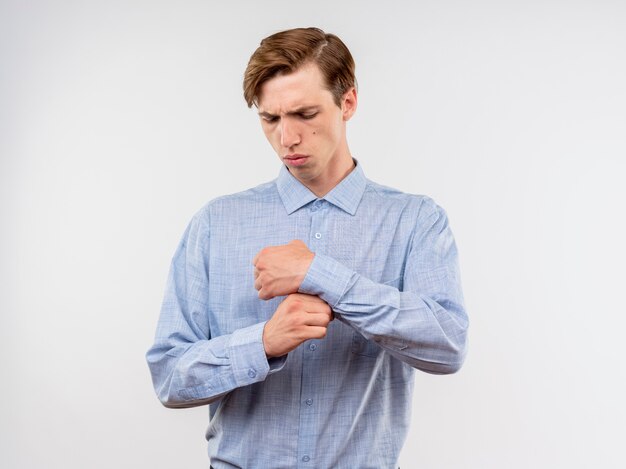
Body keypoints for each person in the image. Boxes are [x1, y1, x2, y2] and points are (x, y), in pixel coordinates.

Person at [146, 27, 469, 468]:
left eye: (304, 113)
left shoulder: (414, 221)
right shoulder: (215, 224)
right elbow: (169, 376)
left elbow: (447, 344)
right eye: (271, 119)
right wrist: (263, 343)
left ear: (348, 102)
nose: (288, 138)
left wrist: (321, 274)